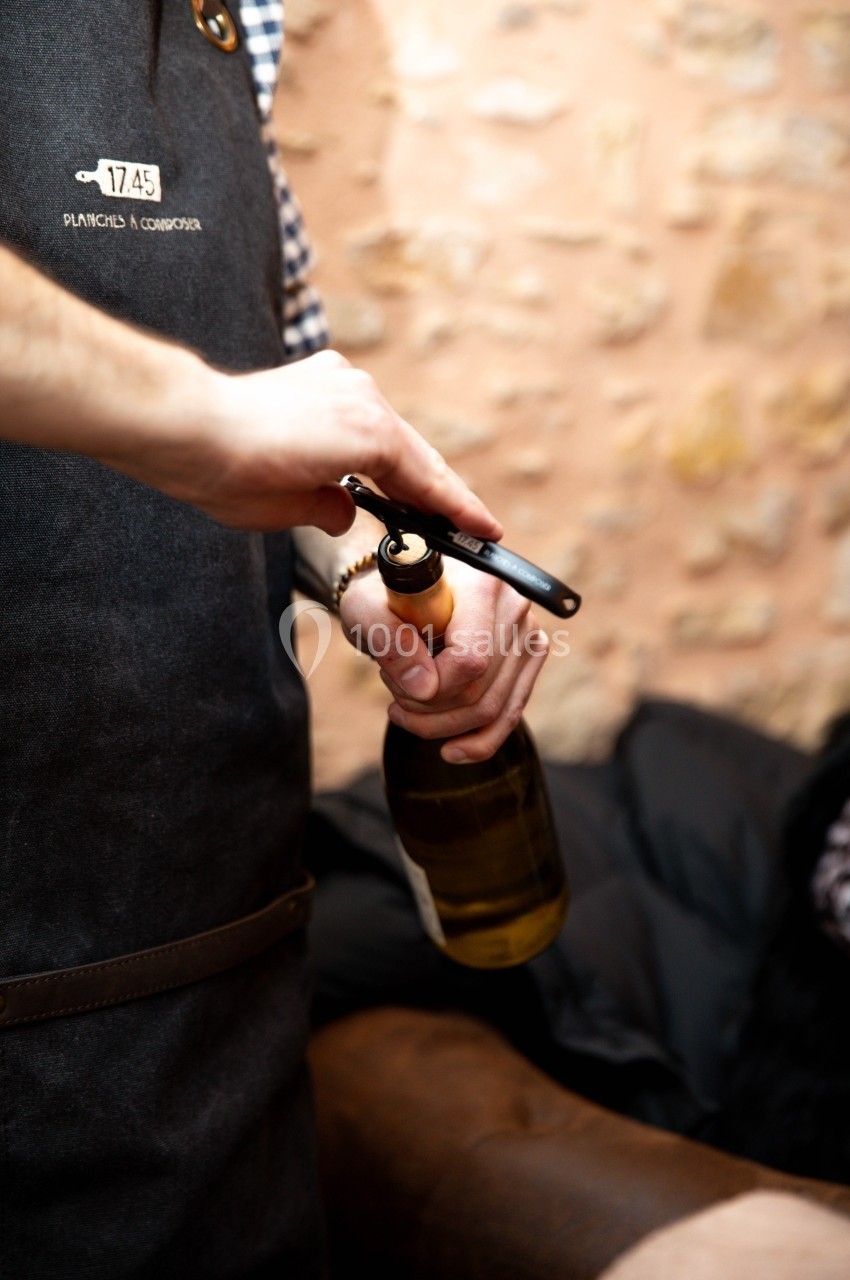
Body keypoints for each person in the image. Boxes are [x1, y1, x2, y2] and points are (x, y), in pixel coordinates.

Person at [0, 4, 548, 1276]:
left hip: (218, 968)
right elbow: (213, 415)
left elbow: (274, 390)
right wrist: (190, 413)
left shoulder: (236, 15)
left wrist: (379, 573)